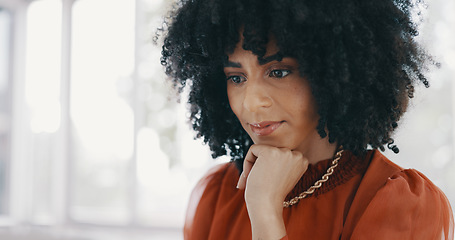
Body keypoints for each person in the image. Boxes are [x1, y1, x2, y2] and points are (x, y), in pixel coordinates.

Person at [159, 0, 454, 239]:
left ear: (332, 73)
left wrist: (265, 212)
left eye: (278, 72)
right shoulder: (219, 195)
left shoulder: (399, 204)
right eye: (236, 78)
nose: (250, 102)